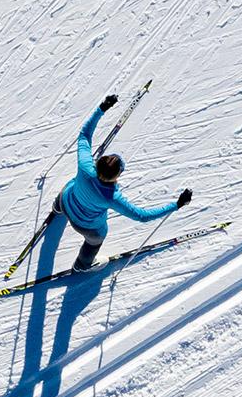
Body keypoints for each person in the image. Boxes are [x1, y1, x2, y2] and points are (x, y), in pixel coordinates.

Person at [56, 93, 190, 270]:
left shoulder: (85, 166)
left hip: (67, 202)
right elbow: (142, 216)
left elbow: (84, 135)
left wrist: (102, 108)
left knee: (68, 187)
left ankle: (56, 208)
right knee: (96, 238)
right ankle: (82, 265)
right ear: (116, 177)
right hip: (87, 227)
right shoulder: (112, 197)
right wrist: (177, 205)